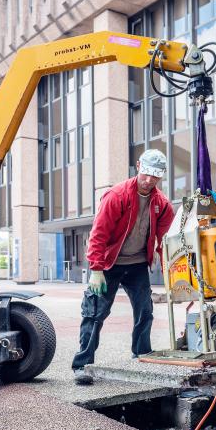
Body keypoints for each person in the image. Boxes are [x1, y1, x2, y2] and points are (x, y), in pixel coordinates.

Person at [72, 149, 174, 385]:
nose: (149, 180)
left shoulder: (163, 205)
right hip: (109, 264)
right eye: (146, 173)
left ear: (161, 176)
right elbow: (98, 234)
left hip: (137, 264)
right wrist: (96, 269)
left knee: (145, 312)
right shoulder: (116, 195)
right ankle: (83, 364)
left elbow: (165, 241)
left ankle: (142, 354)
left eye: (156, 176)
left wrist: (169, 267)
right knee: (95, 313)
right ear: (139, 166)